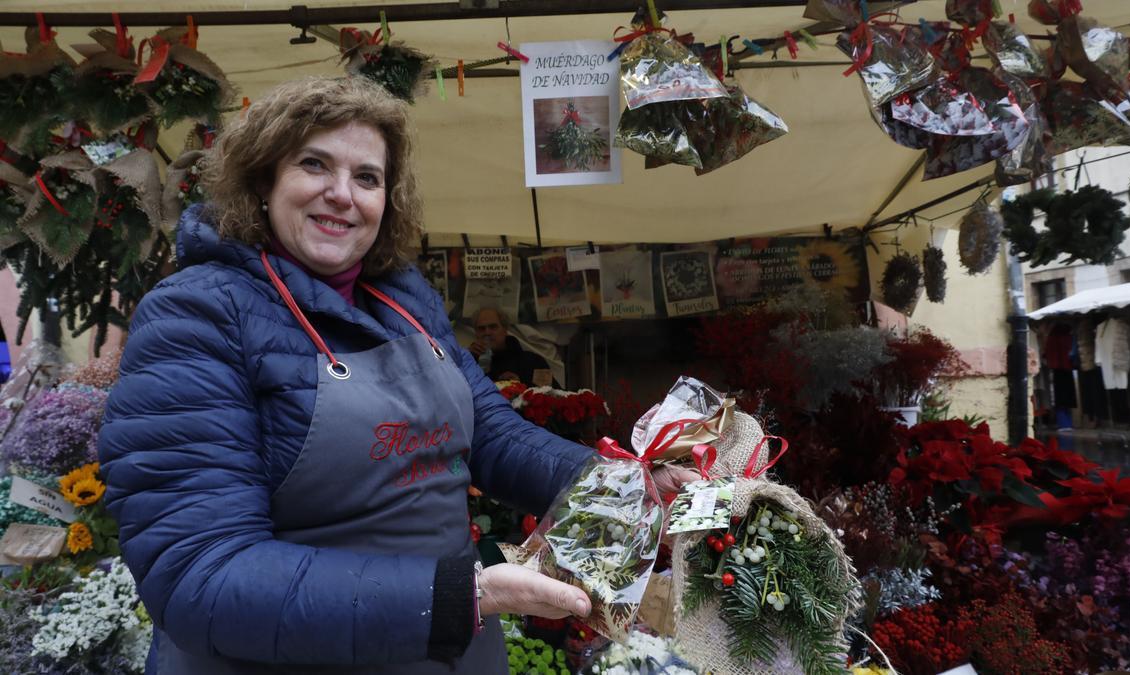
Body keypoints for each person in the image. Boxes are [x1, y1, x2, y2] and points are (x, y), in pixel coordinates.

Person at [97, 77, 696, 674]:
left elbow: (489, 432)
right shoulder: (196, 315)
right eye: (314, 164)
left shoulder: (403, 298)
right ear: (262, 181)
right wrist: (464, 595)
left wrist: (626, 487)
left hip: (452, 649)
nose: (342, 194)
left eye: (367, 177)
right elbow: (202, 573)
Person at [469, 306, 553, 385]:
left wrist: (520, 386)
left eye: (493, 327)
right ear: (476, 333)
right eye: (481, 329)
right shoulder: (468, 363)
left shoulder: (534, 362)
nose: (487, 333)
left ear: (505, 330)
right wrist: (466, 358)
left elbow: (553, 394)